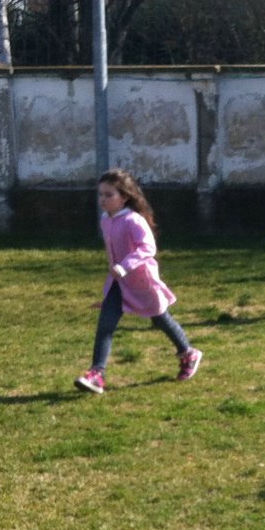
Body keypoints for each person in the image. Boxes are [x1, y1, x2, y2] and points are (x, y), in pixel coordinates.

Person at [75, 169, 202, 394]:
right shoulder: (106, 220)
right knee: (106, 325)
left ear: (124, 197)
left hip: (141, 282)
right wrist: (115, 273)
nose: (102, 200)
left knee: (160, 318)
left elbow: (148, 248)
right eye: (101, 195)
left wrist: (124, 266)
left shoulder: (134, 220)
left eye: (109, 195)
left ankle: (188, 353)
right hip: (117, 283)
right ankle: (97, 374)